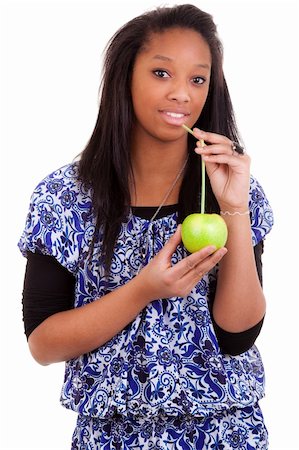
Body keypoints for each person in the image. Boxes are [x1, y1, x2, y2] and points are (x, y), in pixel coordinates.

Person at [18, 4, 274, 449]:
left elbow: (238, 334)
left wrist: (234, 208)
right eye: (161, 73)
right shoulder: (65, 196)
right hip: (112, 437)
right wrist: (143, 290)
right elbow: (43, 343)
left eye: (198, 79)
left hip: (226, 433)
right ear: (125, 78)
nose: (182, 94)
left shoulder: (233, 188)